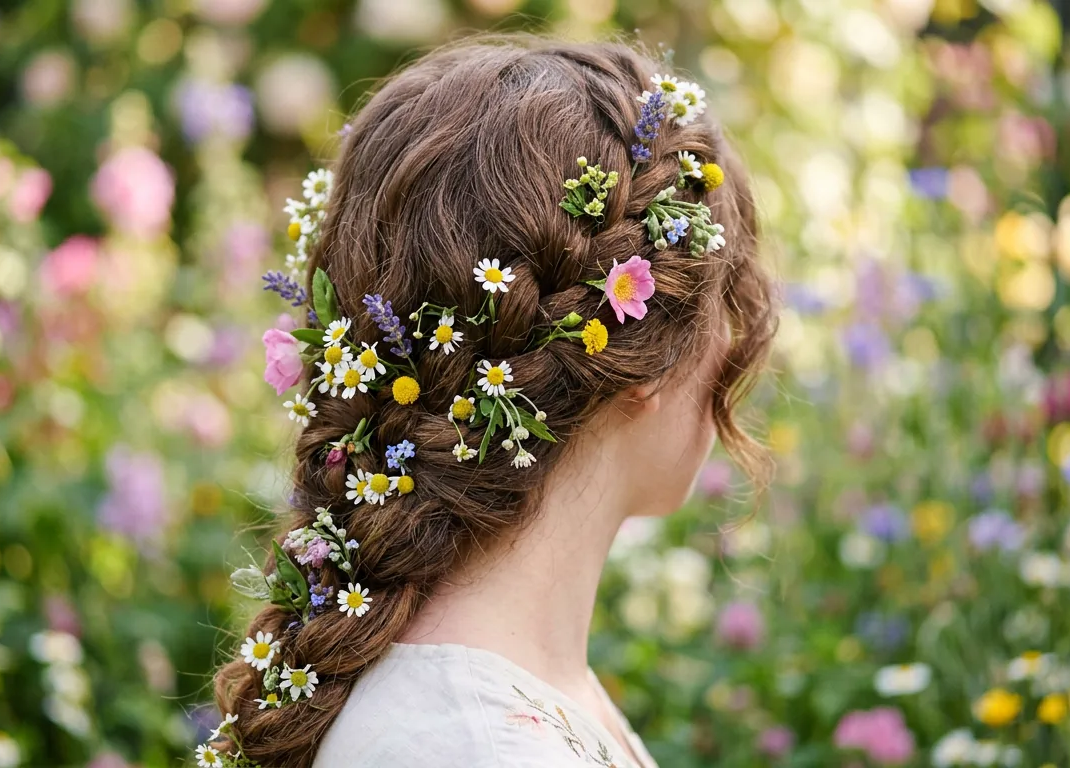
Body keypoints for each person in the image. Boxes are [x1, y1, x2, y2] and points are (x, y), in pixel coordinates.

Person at [210, 36, 776, 768]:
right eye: (721, 304)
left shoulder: (508, 699)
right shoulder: (475, 744)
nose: (732, 339)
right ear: (642, 350)